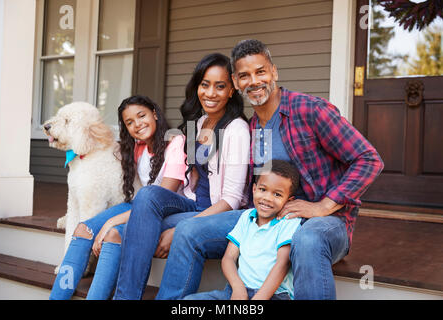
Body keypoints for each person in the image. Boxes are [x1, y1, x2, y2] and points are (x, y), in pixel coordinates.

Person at [156, 39, 384, 300]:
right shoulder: (253, 128)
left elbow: (369, 159)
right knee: (188, 231)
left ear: (274, 72)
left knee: (307, 240)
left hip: (324, 223)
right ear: (236, 81)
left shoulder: (309, 110)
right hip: (269, 218)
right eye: (244, 75)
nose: (254, 81)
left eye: (260, 71)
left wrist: (322, 206)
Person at [112, 53, 250, 300]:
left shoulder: (236, 129)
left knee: (144, 230)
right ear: (197, 86)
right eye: (205, 84)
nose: (211, 93)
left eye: (220, 86)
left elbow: (232, 199)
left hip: (221, 214)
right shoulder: (197, 122)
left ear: (231, 90)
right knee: (148, 195)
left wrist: (183, 226)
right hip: (193, 204)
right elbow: (190, 181)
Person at [49, 95, 186, 300]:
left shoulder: (175, 142)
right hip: (139, 207)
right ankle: (57, 297)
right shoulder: (135, 147)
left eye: (142, 116)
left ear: (155, 114)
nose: (137, 124)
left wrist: (109, 223)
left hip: (167, 209)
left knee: (114, 232)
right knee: (83, 229)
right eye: (130, 122)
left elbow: (160, 198)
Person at [184, 160, 301, 300]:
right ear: (254, 189)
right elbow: (229, 257)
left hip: (274, 295)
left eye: (277, 194)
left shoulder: (288, 221)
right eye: (263, 190)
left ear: (289, 201)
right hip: (239, 292)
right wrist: (238, 288)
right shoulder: (247, 217)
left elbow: (283, 263)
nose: (267, 198)